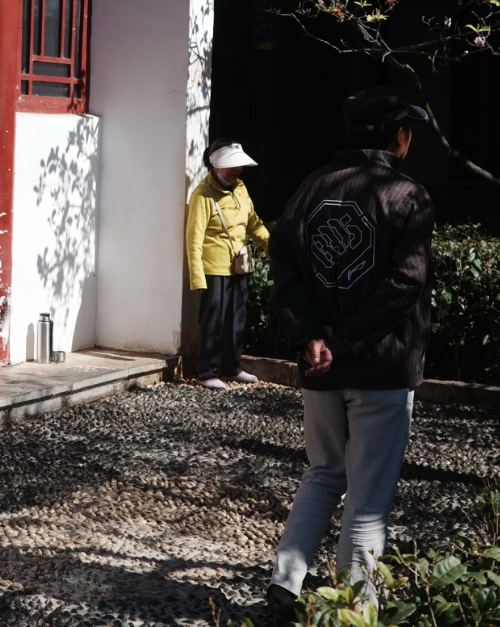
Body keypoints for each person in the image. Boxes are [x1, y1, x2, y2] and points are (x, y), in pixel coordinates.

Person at [265, 87, 434, 616]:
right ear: (399, 137)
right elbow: (406, 284)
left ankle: (286, 583)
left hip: (319, 367)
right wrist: (344, 339)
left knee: (322, 471)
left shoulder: (309, 187)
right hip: (381, 366)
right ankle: (354, 610)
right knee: (368, 496)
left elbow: (283, 267)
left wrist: (310, 336)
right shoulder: (407, 194)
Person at [185, 139, 270, 389]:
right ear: (216, 165)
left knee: (237, 319)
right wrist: (197, 276)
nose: (237, 169)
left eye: (239, 165)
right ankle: (207, 371)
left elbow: (254, 223)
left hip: (240, 263)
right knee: (213, 321)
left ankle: (231, 367)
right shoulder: (202, 193)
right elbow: (194, 238)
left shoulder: (241, 188)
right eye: (231, 165)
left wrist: (272, 246)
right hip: (214, 268)